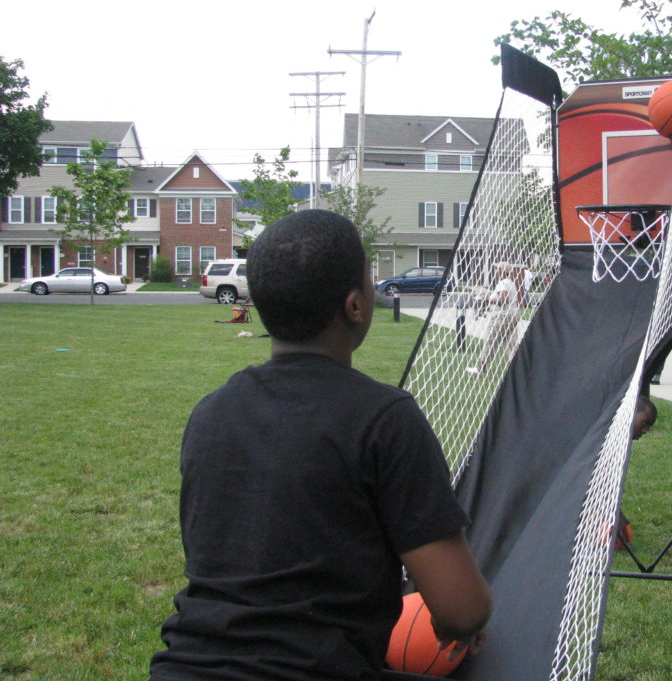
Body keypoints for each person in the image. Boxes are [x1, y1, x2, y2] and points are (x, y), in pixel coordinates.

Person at [148, 210, 491, 681]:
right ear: (355, 306)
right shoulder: (385, 418)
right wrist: (452, 618)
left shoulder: (210, 412)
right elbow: (462, 612)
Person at [615, 395, 658, 551]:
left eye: (649, 427)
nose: (645, 430)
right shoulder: (606, 438)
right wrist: (616, 517)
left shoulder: (622, 444)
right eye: (644, 423)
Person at [467, 262, 520, 375]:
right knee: (510, 343)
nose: (495, 272)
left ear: (503, 271)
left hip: (502, 317)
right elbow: (501, 304)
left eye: (497, 269)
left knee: (490, 341)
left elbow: (503, 300)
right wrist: (483, 309)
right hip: (512, 315)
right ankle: (519, 369)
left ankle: (480, 369)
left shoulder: (503, 283)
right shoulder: (510, 283)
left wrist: (485, 298)